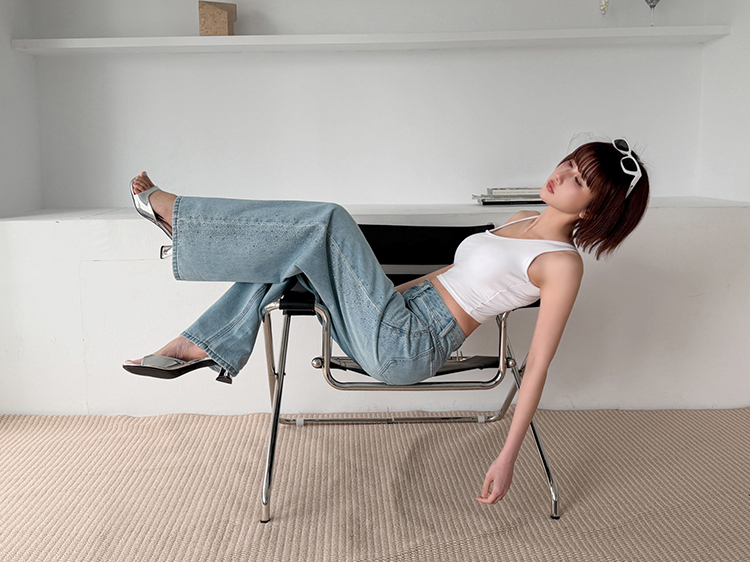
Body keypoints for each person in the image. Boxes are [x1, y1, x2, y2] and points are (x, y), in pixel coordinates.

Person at [123, 139, 650, 505]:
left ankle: (178, 218)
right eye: (568, 162)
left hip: (411, 344)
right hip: (393, 316)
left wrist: (508, 456)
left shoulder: (562, 264)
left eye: (578, 179)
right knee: (288, 252)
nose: (561, 174)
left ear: (593, 209)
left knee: (328, 219)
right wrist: (373, 295)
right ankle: (199, 344)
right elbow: (448, 274)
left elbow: (537, 365)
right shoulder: (520, 220)